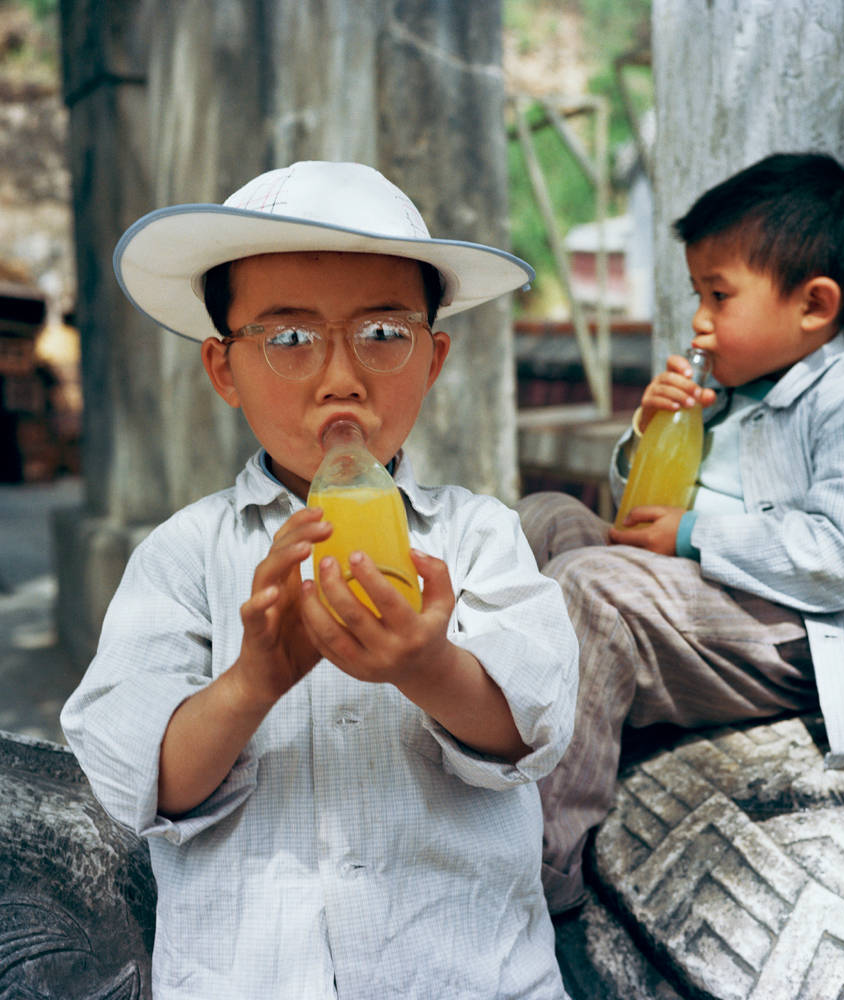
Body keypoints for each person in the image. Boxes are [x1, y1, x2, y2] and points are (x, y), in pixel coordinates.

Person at [61, 161, 579, 999]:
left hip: (471, 976)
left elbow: (535, 725)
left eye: (382, 334)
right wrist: (249, 683)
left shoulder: (477, 536)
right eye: (291, 340)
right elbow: (140, 778)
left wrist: (430, 666)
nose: (341, 376)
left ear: (434, 356)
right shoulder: (184, 554)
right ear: (224, 369)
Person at [517, 151, 844, 915]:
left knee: (589, 591)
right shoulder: (723, 394)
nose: (699, 318)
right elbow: (641, 507)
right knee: (542, 520)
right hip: (708, 605)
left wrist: (694, 533)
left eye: (719, 294)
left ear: (813, 305)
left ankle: (540, 870)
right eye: (698, 292)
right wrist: (654, 429)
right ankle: (487, 752)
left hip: (803, 635)